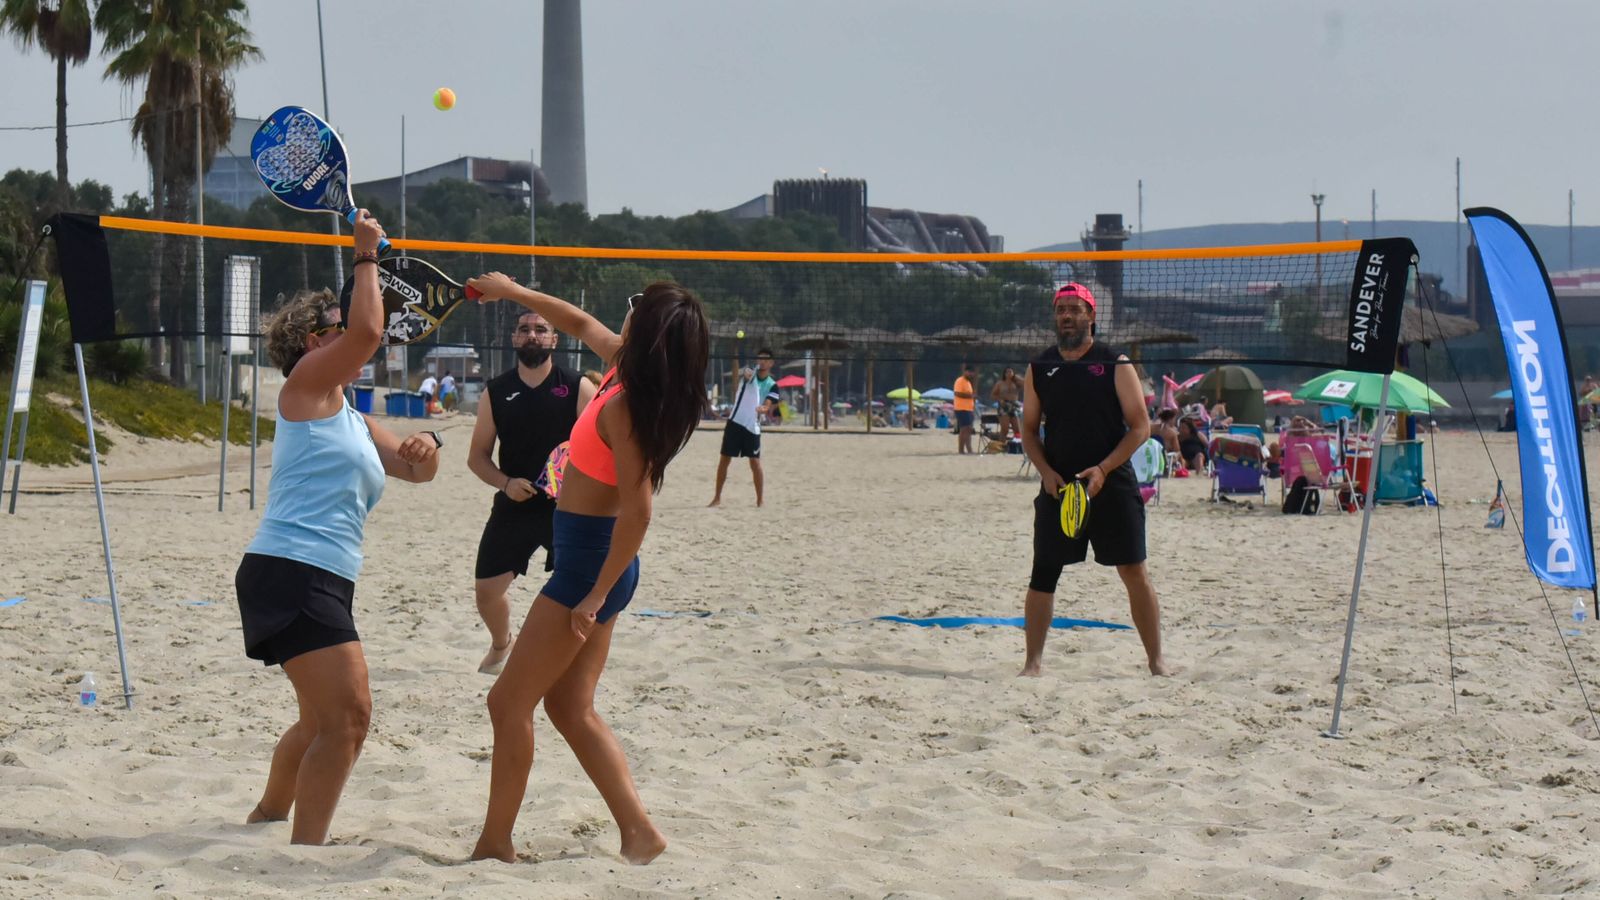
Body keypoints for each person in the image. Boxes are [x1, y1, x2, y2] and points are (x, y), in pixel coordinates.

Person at [462, 275, 709, 865]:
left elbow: (640, 513)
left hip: (593, 565)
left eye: (634, 306)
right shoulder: (623, 366)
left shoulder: (628, 407)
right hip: (591, 558)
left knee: (507, 704)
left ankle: (495, 844)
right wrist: (511, 291)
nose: (623, 312)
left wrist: (595, 595)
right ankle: (639, 833)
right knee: (570, 708)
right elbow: (574, 321)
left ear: (646, 330)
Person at [237, 211, 441, 845]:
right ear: (312, 343)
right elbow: (371, 331)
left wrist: (427, 447)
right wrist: (365, 255)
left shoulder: (348, 413)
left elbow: (415, 472)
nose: (349, 334)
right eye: (337, 327)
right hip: (291, 569)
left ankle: (266, 819)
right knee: (350, 718)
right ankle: (306, 853)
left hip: (321, 573)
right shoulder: (304, 387)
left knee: (317, 722)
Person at [1019, 282, 1170, 677]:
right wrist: (1045, 471)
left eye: (1074, 309)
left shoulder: (1114, 362)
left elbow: (1140, 427)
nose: (1066, 316)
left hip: (1111, 480)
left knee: (1133, 571)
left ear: (1091, 315)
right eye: (1060, 310)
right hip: (1060, 484)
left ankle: (1156, 662)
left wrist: (1103, 469)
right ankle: (1032, 664)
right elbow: (1029, 431)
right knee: (1043, 573)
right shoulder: (1039, 367)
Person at [467, 311, 597, 675]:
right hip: (515, 502)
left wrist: (571, 479)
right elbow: (477, 457)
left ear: (555, 339)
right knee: (486, 591)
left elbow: (601, 448)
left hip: (567, 506)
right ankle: (501, 643)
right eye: (524, 329)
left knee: (581, 592)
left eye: (541, 329)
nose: (532, 335)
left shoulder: (577, 386)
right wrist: (505, 483)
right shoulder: (496, 391)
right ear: (513, 338)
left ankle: (573, 660)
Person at [709, 349, 778, 507]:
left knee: (755, 463)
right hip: (735, 422)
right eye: (760, 358)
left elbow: (768, 403)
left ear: (771, 363)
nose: (762, 361)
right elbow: (747, 374)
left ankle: (760, 501)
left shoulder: (773, 385)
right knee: (724, 460)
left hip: (752, 426)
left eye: (765, 359)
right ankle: (717, 498)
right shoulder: (749, 373)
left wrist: (764, 408)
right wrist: (748, 374)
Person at [991, 366, 1024, 439]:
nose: (1009, 373)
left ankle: (1017, 444)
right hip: (1004, 406)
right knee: (1005, 430)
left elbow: (1026, 384)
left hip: (1015, 405)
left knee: (1017, 430)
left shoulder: (1017, 383)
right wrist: (1000, 400)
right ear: (1004, 374)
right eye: (1007, 372)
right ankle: (1001, 444)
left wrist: (1017, 377)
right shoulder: (1000, 383)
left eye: (1011, 372)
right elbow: (993, 395)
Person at [954, 363, 977, 453]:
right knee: (963, 429)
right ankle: (961, 450)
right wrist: (970, 396)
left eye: (972, 372)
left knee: (969, 429)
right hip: (961, 408)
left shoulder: (968, 383)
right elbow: (957, 393)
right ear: (965, 372)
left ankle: (969, 449)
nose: (971, 374)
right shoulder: (960, 380)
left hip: (969, 409)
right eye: (969, 372)